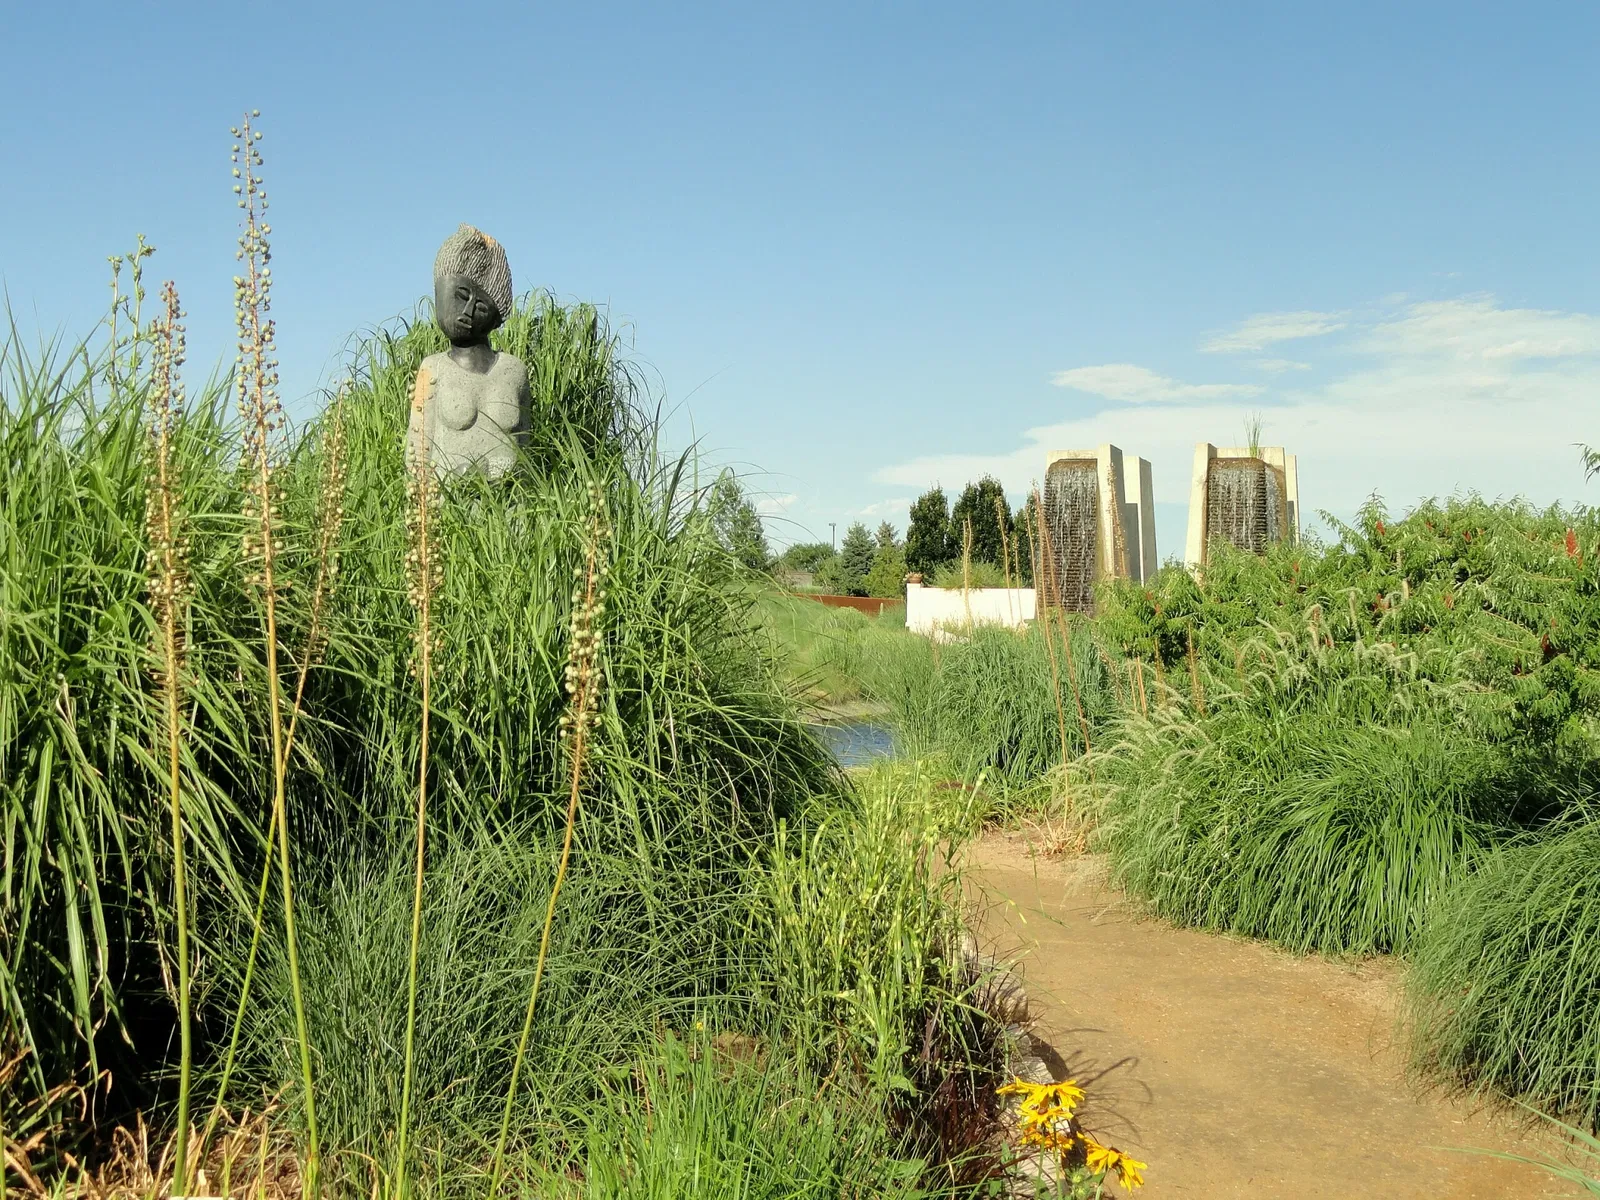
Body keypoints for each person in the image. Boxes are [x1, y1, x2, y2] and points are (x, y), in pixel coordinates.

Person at [406, 224, 530, 477]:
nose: (468, 312)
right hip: (449, 496)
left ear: (495, 317)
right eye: (461, 296)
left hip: (508, 497)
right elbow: (417, 449)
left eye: (481, 307)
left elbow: (526, 446)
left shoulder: (514, 370)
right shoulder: (433, 368)